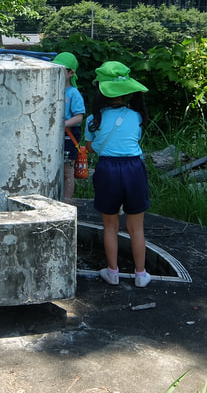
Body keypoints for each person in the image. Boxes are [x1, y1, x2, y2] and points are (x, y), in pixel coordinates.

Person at [84, 61, 152, 288]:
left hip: (107, 171)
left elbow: (91, 147)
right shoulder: (136, 117)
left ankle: (112, 271)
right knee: (137, 227)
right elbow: (134, 140)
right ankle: (141, 274)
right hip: (134, 169)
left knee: (110, 226)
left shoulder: (94, 120)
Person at [51, 52, 85, 203]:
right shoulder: (51, 89)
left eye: (61, 70)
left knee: (67, 170)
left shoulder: (73, 93)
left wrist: (61, 125)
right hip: (52, 134)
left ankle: (67, 202)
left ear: (71, 73)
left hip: (68, 134)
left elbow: (79, 117)